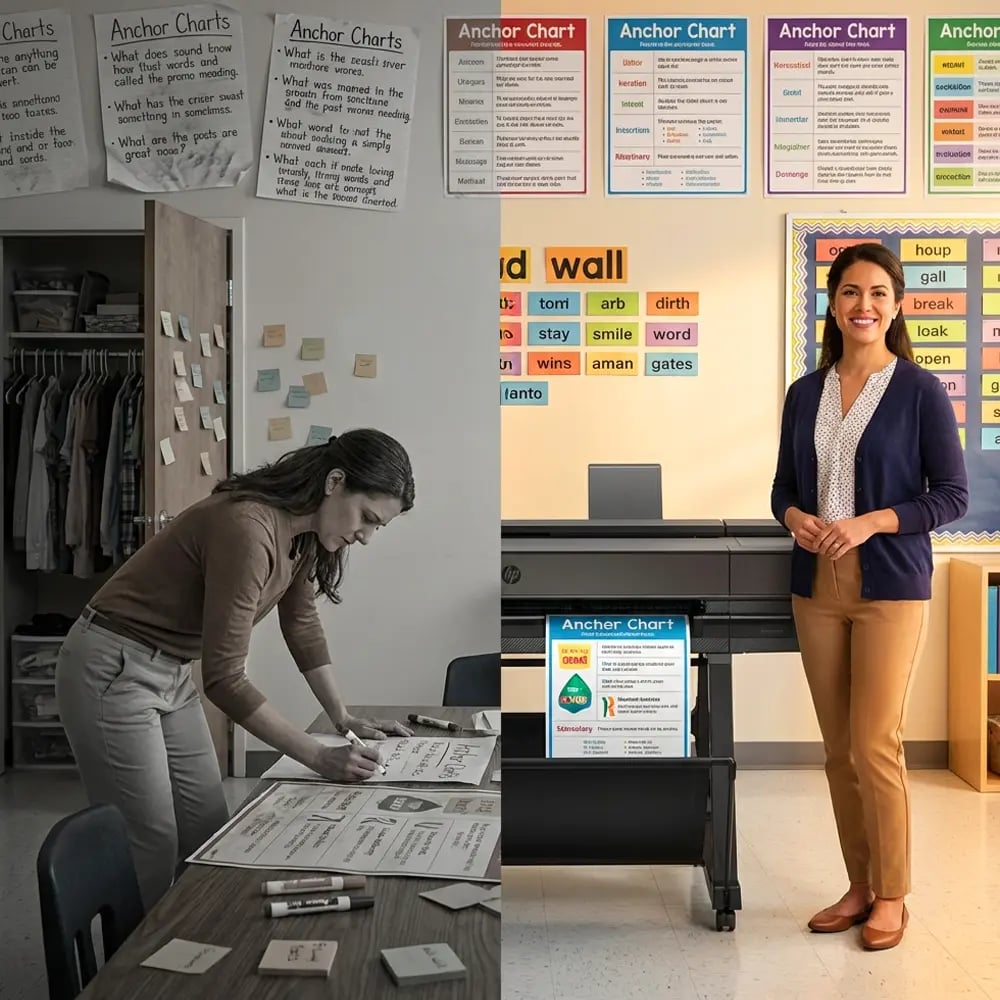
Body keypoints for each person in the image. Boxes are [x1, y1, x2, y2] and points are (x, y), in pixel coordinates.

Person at [54, 428, 416, 909]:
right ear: (334, 482)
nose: (366, 537)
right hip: (112, 666)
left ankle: (188, 931)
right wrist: (318, 756)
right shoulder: (249, 528)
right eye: (367, 518)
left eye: (378, 528)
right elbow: (224, 680)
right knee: (151, 839)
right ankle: (134, 955)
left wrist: (342, 718)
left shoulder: (304, 536)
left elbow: (301, 624)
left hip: (170, 670)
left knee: (206, 826)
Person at [770, 243, 968, 951]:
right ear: (832, 304)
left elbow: (952, 496)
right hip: (816, 587)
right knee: (837, 750)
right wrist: (796, 518)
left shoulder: (919, 391)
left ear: (898, 304)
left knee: (874, 742)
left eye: (879, 293)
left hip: (889, 586)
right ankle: (858, 885)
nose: (865, 305)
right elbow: (782, 490)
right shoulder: (805, 393)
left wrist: (870, 521)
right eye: (851, 292)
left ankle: (892, 895)